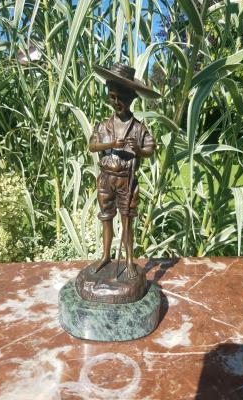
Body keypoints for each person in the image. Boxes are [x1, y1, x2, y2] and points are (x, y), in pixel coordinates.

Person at [89, 62, 160, 279]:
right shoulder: (103, 126)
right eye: (112, 97)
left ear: (132, 99)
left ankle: (129, 259)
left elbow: (150, 147)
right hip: (105, 180)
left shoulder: (138, 127)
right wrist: (111, 144)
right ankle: (105, 256)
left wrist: (138, 149)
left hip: (126, 180)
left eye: (121, 98)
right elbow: (92, 145)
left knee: (127, 220)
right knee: (106, 217)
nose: (116, 102)